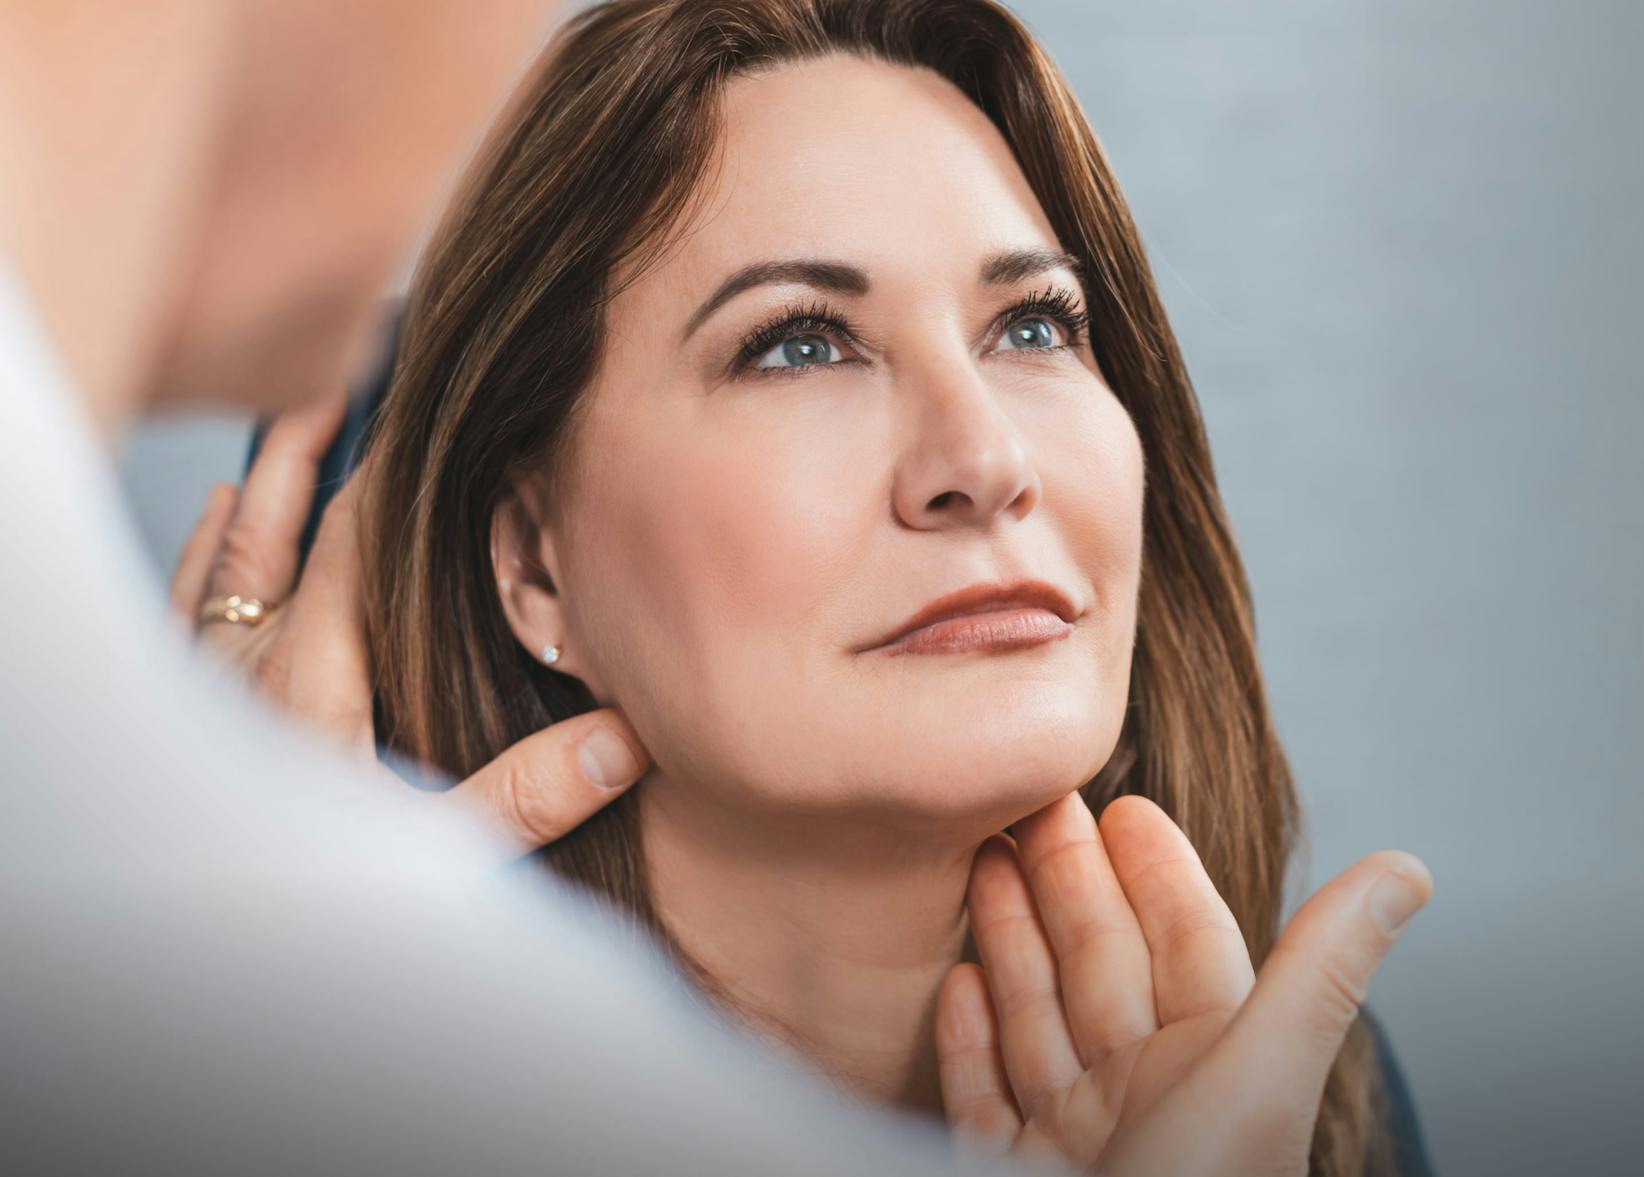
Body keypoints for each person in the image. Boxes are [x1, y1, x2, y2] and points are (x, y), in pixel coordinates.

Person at [0, 0, 1431, 1174]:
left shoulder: (1300, 1108)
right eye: (800, 344)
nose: (983, 459)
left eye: (1035, 324)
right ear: (531, 563)